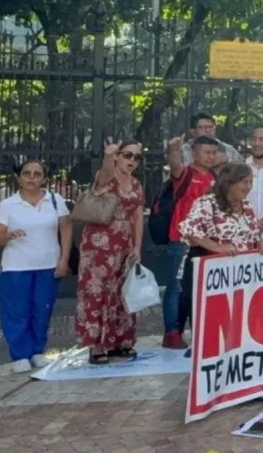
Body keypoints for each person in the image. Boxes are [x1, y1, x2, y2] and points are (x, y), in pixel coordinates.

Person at [0, 159, 71, 373]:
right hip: (16, 268)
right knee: (17, 311)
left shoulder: (55, 200)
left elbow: (65, 229)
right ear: (19, 178)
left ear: (44, 178)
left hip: (47, 266)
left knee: (42, 309)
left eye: (37, 174)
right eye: (27, 173)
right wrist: (7, 236)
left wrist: (64, 259)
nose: (31, 178)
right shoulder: (8, 204)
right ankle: (20, 355)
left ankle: (37, 351)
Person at [178, 163, 263, 336]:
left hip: (238, 276)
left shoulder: (246, 206)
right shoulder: (206, 203)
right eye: (244, 182)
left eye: (251, 182)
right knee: (208, 322)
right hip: (212, 274)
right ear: (230, 183)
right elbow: (191, 231)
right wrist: (219, 248)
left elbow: (251, 235)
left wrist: (260, 243)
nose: (248, 187)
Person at [76, 142, 145, 364]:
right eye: (127, 155)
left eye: (136, 157)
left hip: (124, 243)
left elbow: (137, 217)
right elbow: (105, 173)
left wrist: (137, 247)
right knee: (98, 291)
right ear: (117, 156)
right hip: (99, 244)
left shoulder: (136, 184)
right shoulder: (106, 177)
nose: (132, 160)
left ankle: (120, 341)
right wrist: (108, 156)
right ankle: (97, 345)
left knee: (121, 291)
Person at [162, 134, 220, 348]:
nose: (210, 156)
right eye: (206, 152)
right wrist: (174, 149)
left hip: (206, 243)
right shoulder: (186, 174)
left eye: (213, 153)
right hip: (182, 240)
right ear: (194, 153)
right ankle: (171, 332)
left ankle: (198, 331)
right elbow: (175, 166)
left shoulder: (215, 177)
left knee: (197, 289)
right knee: (175, 287)